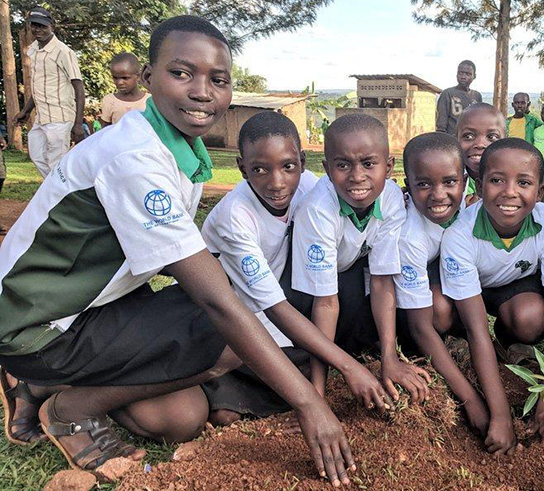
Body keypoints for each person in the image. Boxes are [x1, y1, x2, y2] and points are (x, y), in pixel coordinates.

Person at [0, 16, 356, 485]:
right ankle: (71, 411)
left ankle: (38, 386)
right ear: (149, 79)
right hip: (36, 325)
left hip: (89, 309)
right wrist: (311, 404)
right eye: (182, 73)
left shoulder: (176, 151)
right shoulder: (135, 159)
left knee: (180, 417)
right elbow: (215, 302)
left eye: (218, 79)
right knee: (230, 334)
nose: (202, 91)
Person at [200, 111, 391, 425]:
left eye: (288, 167)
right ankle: (224, 391)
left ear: (302, 162)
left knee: (349, 290)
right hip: (241, 313)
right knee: (300, 362)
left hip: (284, 296)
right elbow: (270, 307)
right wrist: (348, 367)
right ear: (241, 169)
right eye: (260, 169)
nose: (277, 183)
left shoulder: (309, 187)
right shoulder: (234, 217)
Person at [440, 137, 544, 455]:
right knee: (448, 316)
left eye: (524, 182)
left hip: (513, 287)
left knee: (531, 318)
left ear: (541, 190)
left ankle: (508, 339)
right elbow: (478, 329)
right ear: (479, 182)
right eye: (497, 180)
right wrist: (500, 415)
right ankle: (456, 342)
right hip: (472, 291)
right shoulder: (460, 236)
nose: (509, 192)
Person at [291, 113, 432, 404]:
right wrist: (318, 396)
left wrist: (389, 359)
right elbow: (324, 301)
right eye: (343, 165)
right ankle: (315, 380)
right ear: (327, 169)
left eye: (369, 164)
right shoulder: (318, 210)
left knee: (362, 294)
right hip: (302, 290)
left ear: (389, 166)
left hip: (345, 276)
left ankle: (358, 353)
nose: (357, 176)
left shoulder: (391, 198)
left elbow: (382, 281)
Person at [393, 132, 491, 435]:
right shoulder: (410, 236)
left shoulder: (469, 211)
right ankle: (449, 350)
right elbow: (420, 325)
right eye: (424, 184)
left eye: (449, 182)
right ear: (408, 187)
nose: (438, 195)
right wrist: (470, 399)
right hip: (403, 309)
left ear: (464, 181)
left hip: (448, 281)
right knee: (439, 310)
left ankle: (472, 344)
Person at [13, 7, 85, 178]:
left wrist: (78, 123)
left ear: (51, 25)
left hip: (60, 117)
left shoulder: (63, 51)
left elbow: (79, 86)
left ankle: (61, 198)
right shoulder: (34, 50)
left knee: (56, 163)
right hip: (42, 116)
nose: (38, 30)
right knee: (37, 155)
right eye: (34, 26)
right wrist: (26, 110)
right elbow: (38, 87)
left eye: (42, 26)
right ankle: (58, 191)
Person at [456, 103, 505, 202]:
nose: (480, 144)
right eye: (468, 136)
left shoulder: (513, 181)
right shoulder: (447, 180)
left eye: (492, 137)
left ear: (505, 140)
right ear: (456, 139)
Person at [99, 52, 151, 127]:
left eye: (125, 78)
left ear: (138, 76)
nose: (119, 82)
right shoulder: (110, 101)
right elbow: (106, 131)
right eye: (115, 77)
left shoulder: (150, 101)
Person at [436, 60, 482, 136]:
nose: (463, 77)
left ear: (474, 76)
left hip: (471, 139)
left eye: (468, 74)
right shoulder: (447, 93)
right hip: (453, 139)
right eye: (460, 73)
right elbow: (441, 124)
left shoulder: (477, 96)